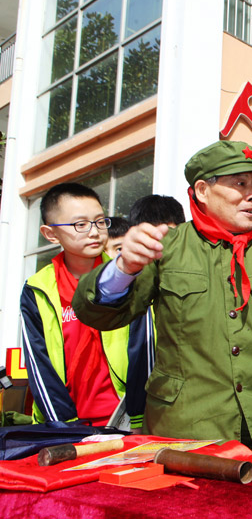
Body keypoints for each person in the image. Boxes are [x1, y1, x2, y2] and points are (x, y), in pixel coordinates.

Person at [73, 140, 252, 456]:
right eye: (239, 183)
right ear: (202, 191)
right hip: (186, 427)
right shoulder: (166, 247)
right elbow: (100, 314)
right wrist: (123, 269)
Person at [20, 183, 153, 429]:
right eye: (80, 225)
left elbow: (143, 348)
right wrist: (63, 424)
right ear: (50, 233)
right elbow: (39, 364)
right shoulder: (38, 288)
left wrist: (139, 415)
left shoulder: (127, 277)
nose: (94, 232)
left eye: (100, 221)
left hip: (127, 420)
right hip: (67, 423)